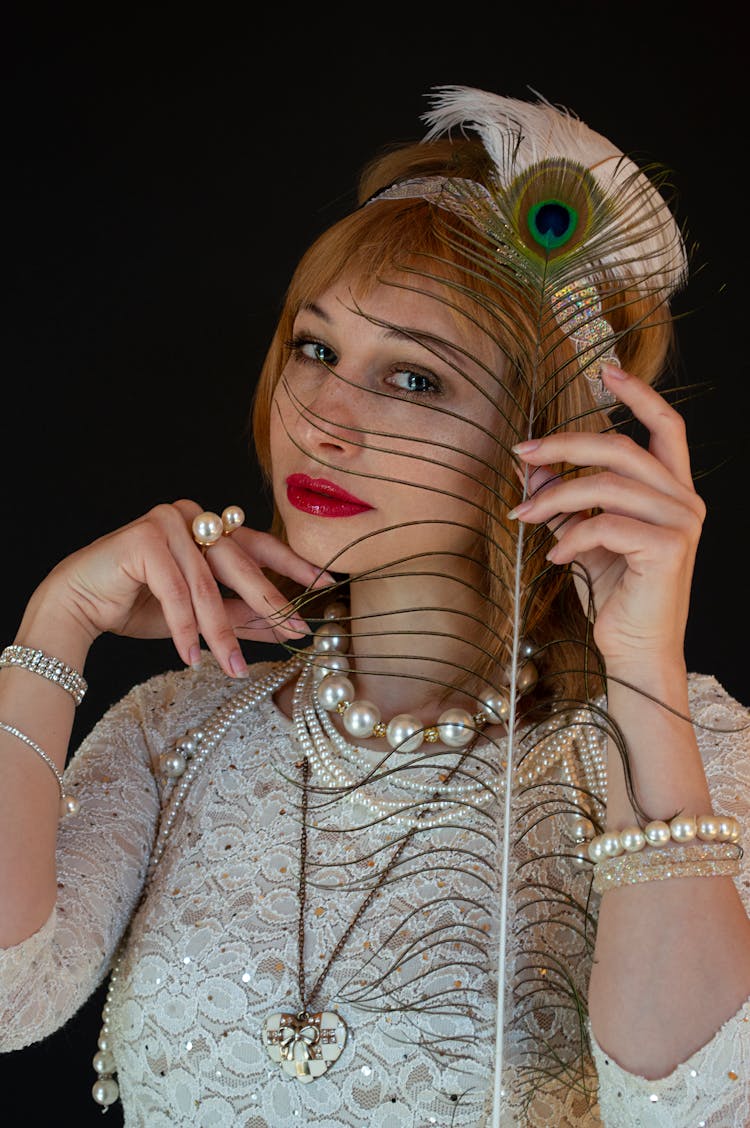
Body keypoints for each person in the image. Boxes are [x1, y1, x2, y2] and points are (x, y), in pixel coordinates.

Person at [1, 85, 749, 1127]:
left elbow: (700, 1105)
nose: (325, 419)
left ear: (549, 437)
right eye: (316, 350)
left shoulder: (695, 748)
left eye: (413, 380)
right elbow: (6, 999)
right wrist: (50, 630)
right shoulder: (177, 733)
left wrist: (641, 675)